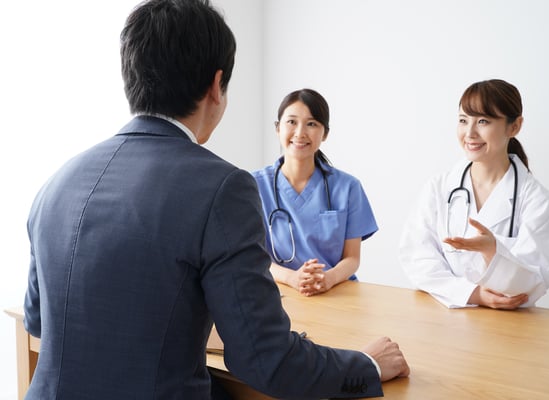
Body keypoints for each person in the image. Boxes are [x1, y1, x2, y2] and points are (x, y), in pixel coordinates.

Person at [22, 0, 409, 399]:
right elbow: (266, 360)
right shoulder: (223, 187)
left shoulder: (58, 182)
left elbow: (38, 320)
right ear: (216, 85)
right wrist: (368, 365)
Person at [398, 79, 549, 310]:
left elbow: (532, 285)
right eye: (463, 120)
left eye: (483, 121)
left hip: (510, 328)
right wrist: (474, 294)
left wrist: (492, 250)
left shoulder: (538, 201)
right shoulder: (439, 187)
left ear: (514, 127)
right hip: (443, 318)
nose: (470, 133)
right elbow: (416, 258)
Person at [252, 88, 378, 296]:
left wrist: (329, 278)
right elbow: (254, 257)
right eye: (291, 122)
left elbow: (352, 258)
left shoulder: (348, 187)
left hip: (336, 291)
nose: (300, 133)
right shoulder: (253, 186)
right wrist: (292, 278)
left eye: (311, 124)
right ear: (278, 128)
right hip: (279, 293)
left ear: (325, 133)